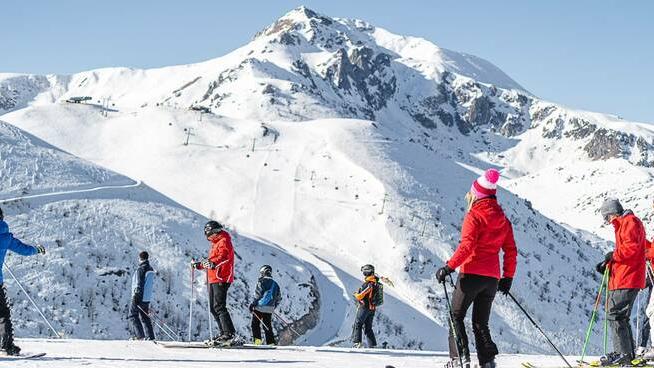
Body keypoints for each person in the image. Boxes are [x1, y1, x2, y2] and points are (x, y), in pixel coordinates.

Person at [435, 169, 517, 368]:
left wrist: (448, 267)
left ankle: (460, 359)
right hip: (492, 279)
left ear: (476, 194)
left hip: (471, 275)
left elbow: (467, 246)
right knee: (481, 322)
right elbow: (511, 250)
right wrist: (508, 278)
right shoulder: (503, 219)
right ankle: (487, 361)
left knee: (456, 316)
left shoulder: (474, 215)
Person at [595, 198, 646, 366]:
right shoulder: (624, 224)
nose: (607, 222)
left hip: (628, 277)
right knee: (620, 316)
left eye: (606, 217)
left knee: (615, 314)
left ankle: (623, 354)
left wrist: (613, 256)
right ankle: (626, 354)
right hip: (624, 276)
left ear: (612, 213)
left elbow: (631, 249)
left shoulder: (629, 222)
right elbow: (626, 250)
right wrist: (608, 263)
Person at [0, 206, 46, 356]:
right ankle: (7, 345)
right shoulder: (5, 237)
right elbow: (24, 249)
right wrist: (37, 249)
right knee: (2, 315)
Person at [192, 221, 235, 345]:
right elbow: (211, 261)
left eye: (209, 234)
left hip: (221, 277)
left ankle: (229, 334)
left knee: (219, 306)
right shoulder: (216, 243)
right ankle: (224, 333)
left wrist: (213, 264)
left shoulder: (224, 241)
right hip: (213, 278)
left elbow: (224, 257)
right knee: (213, 308)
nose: (208, 237)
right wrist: (199, 265)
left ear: (214, 232)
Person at [248, 265, 281, 345]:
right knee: (267, 325)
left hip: (259, 307)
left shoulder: (261, 281)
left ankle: (257, 342)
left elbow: (258, 295)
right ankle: (271, 342)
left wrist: (253, 304)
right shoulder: (275, 284)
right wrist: (273, 306)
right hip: (270, 308)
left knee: (255, 324)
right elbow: (278, 298)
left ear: (262, 272)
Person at [351, 264, 382, 349]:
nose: (363, 273)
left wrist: (356, 294)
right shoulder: (376, 283)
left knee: (358, 323)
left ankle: (357, 343)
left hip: (365, 307)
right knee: (368, 327)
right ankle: (372, 345)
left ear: (367, 272)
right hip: (372, 308)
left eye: (364, 271)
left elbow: (361, 296)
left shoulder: (369, 284)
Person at [130, 251, 155, 341]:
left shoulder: (141, 269)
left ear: (140, 258)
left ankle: (139, 336)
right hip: (147, 297)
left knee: (133, 315)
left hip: (139, 296)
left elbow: (139, 283)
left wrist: (137, 296)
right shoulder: (150, 269)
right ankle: (150, 337)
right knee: (145, 317)